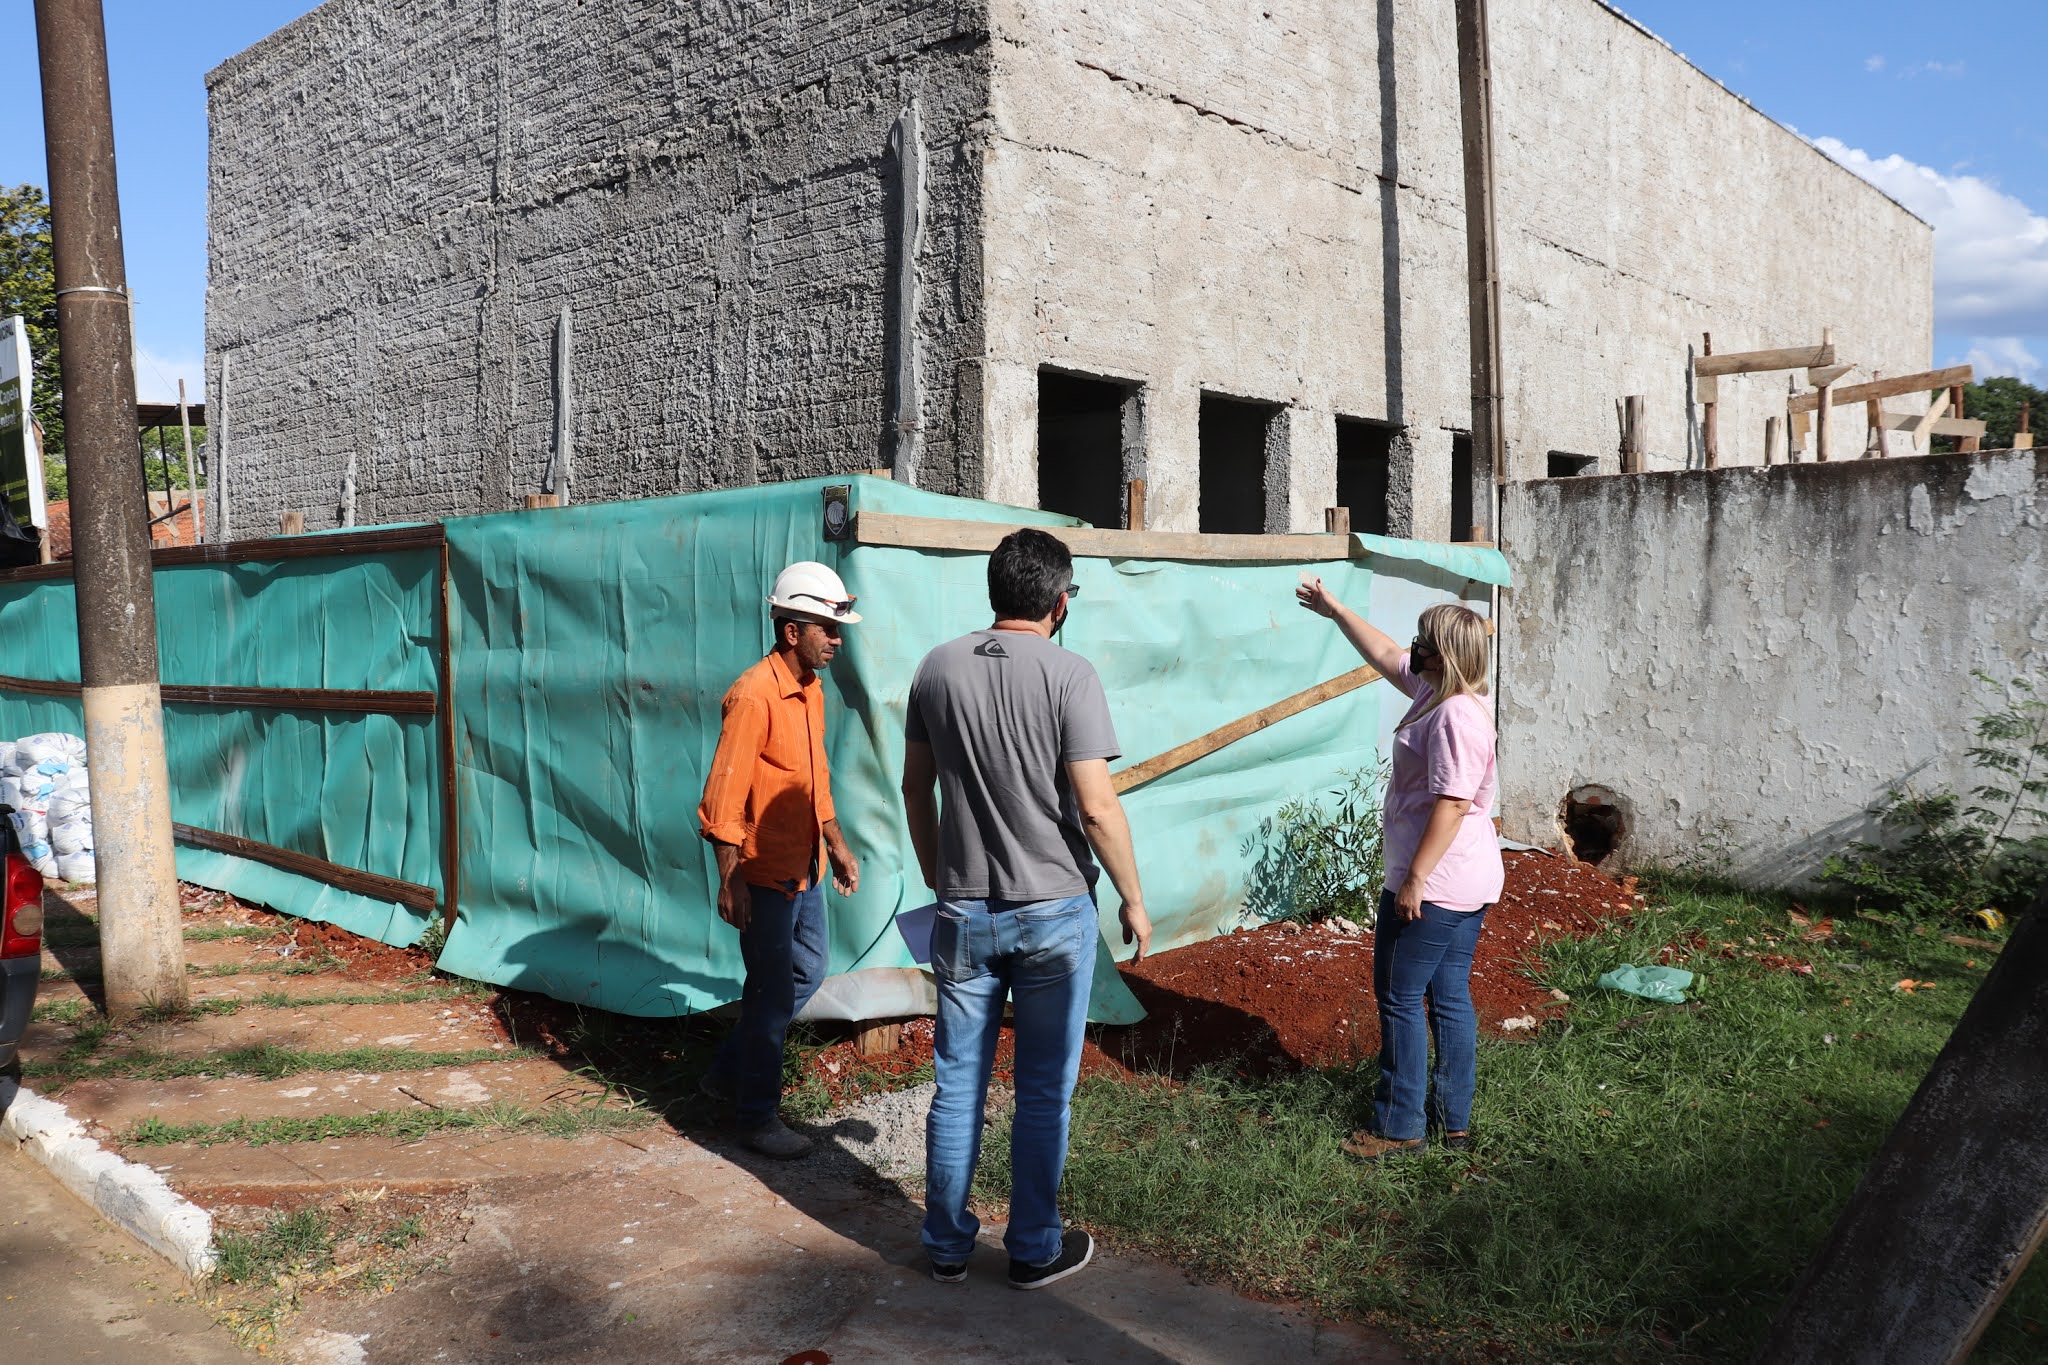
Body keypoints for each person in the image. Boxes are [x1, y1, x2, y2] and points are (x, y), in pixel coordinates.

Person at [902, 528, 1151, 1289]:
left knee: (958, 1084)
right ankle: (1033, 1247)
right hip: (1054, 912)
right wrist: (1135, 899)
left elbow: (917, 788)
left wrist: (943, 876)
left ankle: (945, 1246)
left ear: (995, 590)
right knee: (1043, 1088)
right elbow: (1097, 806)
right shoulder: (1071, 674)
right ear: (1060, 599)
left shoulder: (936, 667)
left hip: (964, 911)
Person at [1295, 584, 1503, 1159]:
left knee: (1400, 997)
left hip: (1435, 884)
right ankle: (1452, 1124)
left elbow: (1453, 802)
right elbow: (1386, 654)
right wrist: (1336, 609)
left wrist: (1414, 879)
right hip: (1462, 879)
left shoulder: (1455, 715)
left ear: (1447, 655)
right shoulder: (1437, 694)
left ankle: (1399, 1128)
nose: (1412, 648)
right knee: (1449, 997)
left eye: (1423, 642)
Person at [697, 561, 863, 1159]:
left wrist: (837, 844)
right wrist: (730, 879)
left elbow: (813, 780)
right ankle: (756, 1115)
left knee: (808, 971)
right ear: (793, 631)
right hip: (762, 874)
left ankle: (725, 1075)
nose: (837, 640)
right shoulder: (753, 695)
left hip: (805, 868)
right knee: (769, 993)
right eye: (828, 628)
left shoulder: (811, 692)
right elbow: (723, 797)